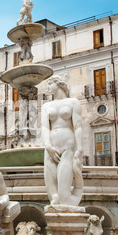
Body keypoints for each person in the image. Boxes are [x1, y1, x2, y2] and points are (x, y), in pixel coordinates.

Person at [41, 76, 84, 206]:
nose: (47, 87)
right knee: (53, 196)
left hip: (68, 147)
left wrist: (80, 148)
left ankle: (78, 190)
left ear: (58, 84)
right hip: (51, 148)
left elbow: (78, 126)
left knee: (64, 196)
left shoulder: (73, 102)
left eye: (49, 84)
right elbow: (44, 127)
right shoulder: (46, 105)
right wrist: (48, 146)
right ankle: (56, 222)